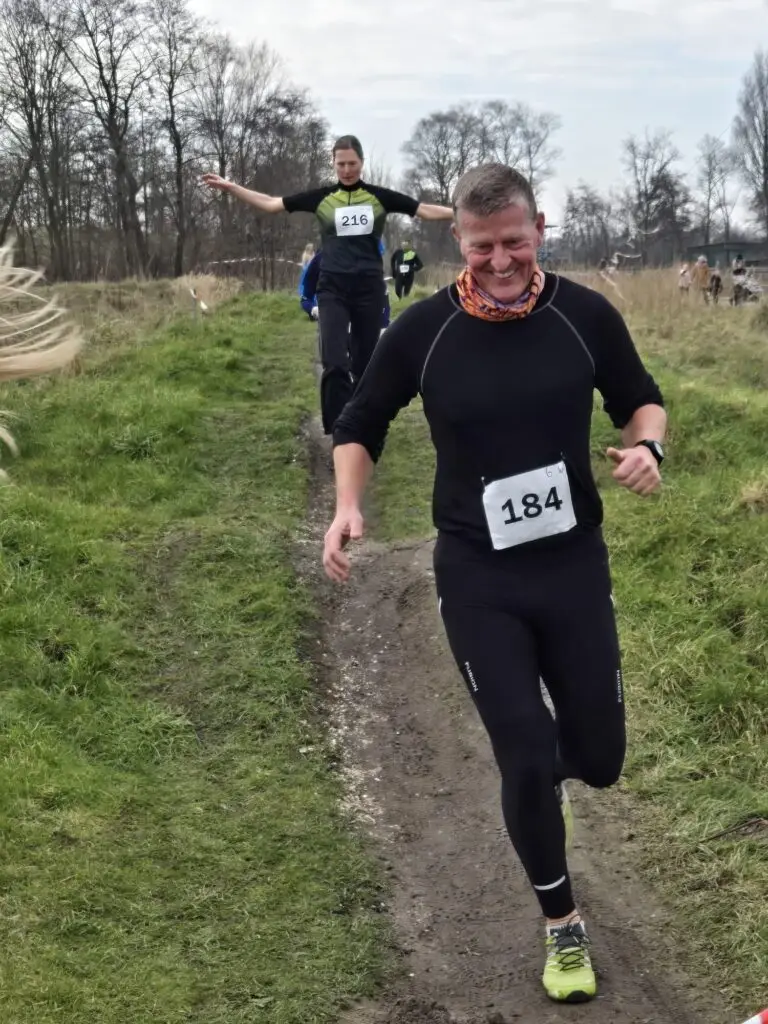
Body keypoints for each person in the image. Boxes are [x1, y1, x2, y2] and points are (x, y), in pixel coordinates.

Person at [322, 163, 666, 1005]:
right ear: (457, 239)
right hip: (478, 573)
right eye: (482, 247)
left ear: (539, 229)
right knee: (524, 750)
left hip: (572, 566)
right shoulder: (425, 331)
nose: (501, 261)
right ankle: (562, 923)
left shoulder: (584, 316)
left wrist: (647, 446)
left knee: (599, 760)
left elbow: (641, 399)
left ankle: (549, 791)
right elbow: (361, 421)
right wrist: (347, 506)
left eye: (514, 242)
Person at [201, 135, 452, 434]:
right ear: (333, 163)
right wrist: (231, 187)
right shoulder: (322, 198)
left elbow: (423, 210)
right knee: (334, 362)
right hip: (333, 289)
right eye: (341, 164)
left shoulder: (378, 197)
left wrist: (463, 212)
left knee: (364, 366)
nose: (346, 170)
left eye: (352, 164)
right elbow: (270, 204)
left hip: (369, 292)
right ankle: (340, 431)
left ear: (361, 163)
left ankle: (362, 423)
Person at [300, 244, 390, 330]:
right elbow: (305, 299)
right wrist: (313, 309)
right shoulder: (320, 259)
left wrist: (383, 326)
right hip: (332, 327)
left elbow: (382, 296)